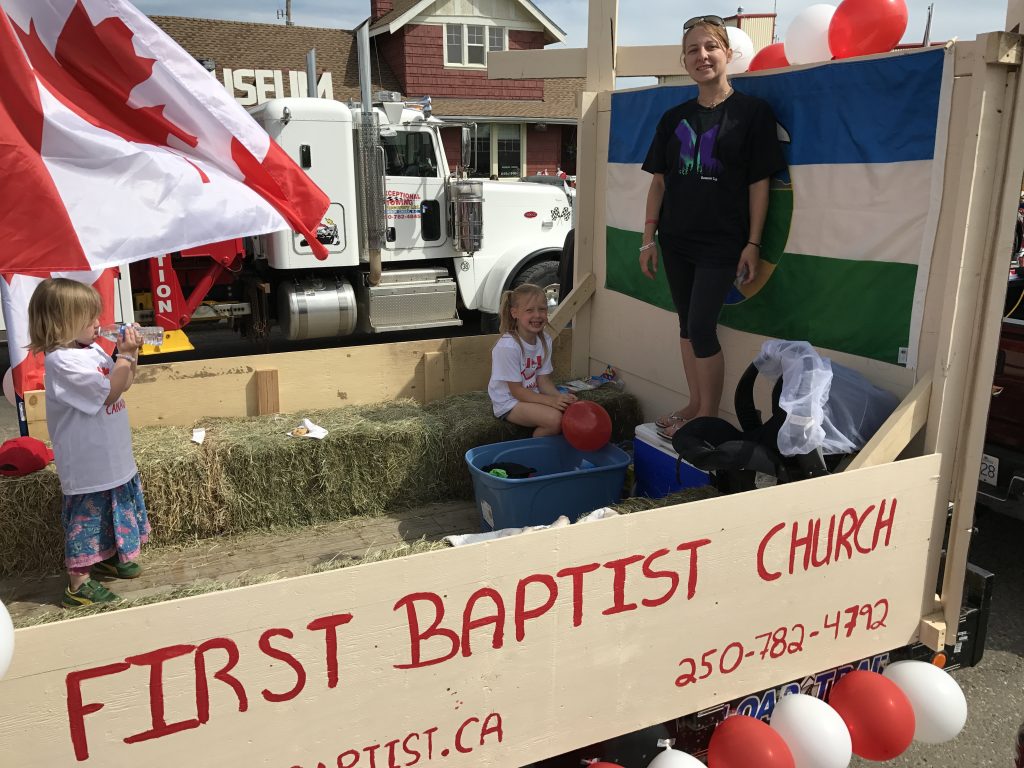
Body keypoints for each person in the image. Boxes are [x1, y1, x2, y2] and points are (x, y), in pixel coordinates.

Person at [640, 14, 786, 440]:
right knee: (686, 325)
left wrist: (753, 242)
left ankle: (708, 415)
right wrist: (648, 240)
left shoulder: (753, 113)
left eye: (709, 47)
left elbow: (761, 184)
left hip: (722, 243)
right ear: (684, 61)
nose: (701, 56)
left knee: (702, 326)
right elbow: (659, 183)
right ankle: (694, 403)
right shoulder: (673, 117)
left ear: (727, 53)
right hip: (676, 240)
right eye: (692, 50)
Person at [26, 278, 150, 608]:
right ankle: (78, 584)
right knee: (87, 518)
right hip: (88, 461)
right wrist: (123, 356)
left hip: (111, 453)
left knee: (115, 503)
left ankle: (110, 555)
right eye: (89, 318)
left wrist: (131, 354)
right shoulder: (62, 362)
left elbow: (122, 384)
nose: (98, 324)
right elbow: (109, 390)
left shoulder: (90, 349)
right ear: (62, 323)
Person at [488, 283, 577, 436]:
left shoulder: (545, 340)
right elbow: (517, 392)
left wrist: (559, 397)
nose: (537, 315)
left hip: (531, 395)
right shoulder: (508, 347)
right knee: (554, 419)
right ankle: (534, 456)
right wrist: (550, 401)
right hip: (509, 402)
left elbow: (543, 381)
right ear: (514, 313)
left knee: (570, 410)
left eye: (542, 309)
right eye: (529, 310)